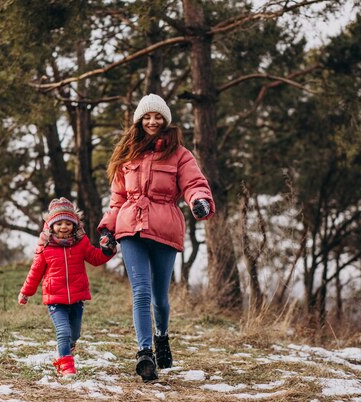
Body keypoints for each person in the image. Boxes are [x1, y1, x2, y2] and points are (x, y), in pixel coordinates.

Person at [98, 93, 214, 382]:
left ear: (165, 120)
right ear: (139, 120)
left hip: (163, 227)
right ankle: (144, 353)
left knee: (160, 297)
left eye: (157, 116)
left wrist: (199, 201)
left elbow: (194, 184)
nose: (152, 121)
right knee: (140, 292)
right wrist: (107, 229)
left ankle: (161, 337)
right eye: (147, 117)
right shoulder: (127, 153)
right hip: (130, 229)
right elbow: (117, 199)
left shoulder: (179, 154)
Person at [18, 197, 116, 378]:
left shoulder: (81, 243)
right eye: (59, 223)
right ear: (51, 225)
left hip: (77, 298)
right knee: (63, 331)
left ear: (74, 224)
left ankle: (67, 346)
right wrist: (26, 292)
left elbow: (95, 258)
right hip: (55, 299)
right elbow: (35, 272)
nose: (64, 227)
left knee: (74, 333)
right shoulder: (45, 247)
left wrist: (107, 251)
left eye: (68, 223)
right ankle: (66, 366)